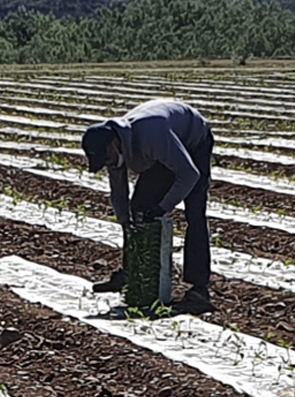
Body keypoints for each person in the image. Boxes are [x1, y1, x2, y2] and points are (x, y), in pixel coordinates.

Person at [80, 98, 213, 311]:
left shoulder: (152, 135)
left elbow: (189, 174)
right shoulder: (116, 150)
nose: (108, 164)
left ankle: (199, 289)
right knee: (139, 208)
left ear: (114, 144)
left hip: (193, 140)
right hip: (164, 148)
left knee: (195, 212)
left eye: (106, 159)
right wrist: (125, 222)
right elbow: (119, 192)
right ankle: (132, 273)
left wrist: (164, 207)